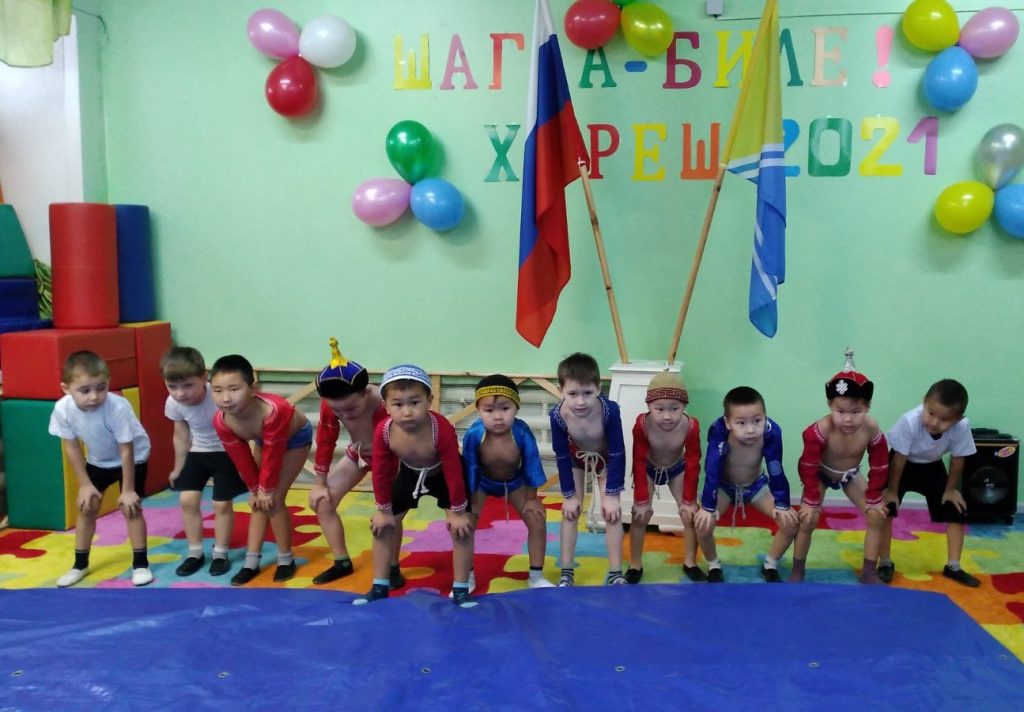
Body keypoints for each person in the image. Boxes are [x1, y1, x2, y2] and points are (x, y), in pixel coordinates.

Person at [354, 364, 474, 607]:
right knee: (382, 527)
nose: (407, 412)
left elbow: (453, 469)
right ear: (386, 406)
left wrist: (459, 512)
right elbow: (381, 472)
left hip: (444, 474)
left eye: (415, 403)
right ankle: (380, 586)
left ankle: (461, 587)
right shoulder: (384, 431)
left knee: (461, 529)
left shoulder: (441, 428)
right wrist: (383, 510)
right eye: (398, 404)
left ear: (429, 400)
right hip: (410, 473)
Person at [48, 350, 153, 587]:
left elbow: (127, 449)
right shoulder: (63, 409)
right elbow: (71, 447)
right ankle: (80, 564)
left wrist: (128, 490)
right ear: (66, 389)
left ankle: (140, 564)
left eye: (101, 388)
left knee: (131, 508)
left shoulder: (117, 407)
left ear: (108, 383)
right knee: (87, 506)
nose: (94, 396)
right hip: (98, 460)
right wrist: (85, 484)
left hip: (133, 458)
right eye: (85, 390)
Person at [309, 339, 404, 589]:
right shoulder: (331, 402)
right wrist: (319, 483)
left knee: (391, 514)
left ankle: (392, 566)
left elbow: (388, 456)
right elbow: (326, 439)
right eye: (338, 412)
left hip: (394, 458)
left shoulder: (384, 403)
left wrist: (383, 505)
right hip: (359, 453)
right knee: (323, 502)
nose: (345, 415)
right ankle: (341, 561)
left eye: (350, 409)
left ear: (366, 392)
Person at [210, 354, 311, 586]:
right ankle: (251, 562)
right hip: (264, 440)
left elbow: (274, 455)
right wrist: (255, 490)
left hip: (295, 439)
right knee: (257, 503)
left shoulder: (275, 410)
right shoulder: (222, 421)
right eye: (217, 391)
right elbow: (241, 458)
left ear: (253, 389)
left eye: (234, 389)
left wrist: (266, 490)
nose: (226, 398)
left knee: (273, 500)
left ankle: (286, 559)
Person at [792, 350, 889, 584]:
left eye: (856, 412)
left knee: (877, 516)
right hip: (819, 473)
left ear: (868, 407)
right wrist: (811, 500)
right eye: (840, 411)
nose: (847, 419)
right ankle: (798, 569)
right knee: (808, 519)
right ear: (830, 405)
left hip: (849, 474)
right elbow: (807, 465)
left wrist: (874, 497)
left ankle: (869, 571)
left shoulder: (871, 428)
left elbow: (880, 464)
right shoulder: (819, 430)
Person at [878, 379, 980, 587]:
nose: (934, 423)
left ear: (958, 419)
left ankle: (953, 566)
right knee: (885, 509)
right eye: (931, 413)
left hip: (932, 466)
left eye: (944, 419)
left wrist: (950, 490)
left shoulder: (961, 427)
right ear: (924, 402)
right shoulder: (910, 421)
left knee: (956, 509)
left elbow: (958, 458)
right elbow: (899, 459)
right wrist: (892, 490)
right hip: (902, 464)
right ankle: (885, 562)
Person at [694, 386, 798, 582]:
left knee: (790, 523)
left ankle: (770, 564)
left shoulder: (771, 431)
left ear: (765, 417)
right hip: (724, 487)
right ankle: (714, 565)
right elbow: (712, 467)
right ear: (728, 422)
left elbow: (775, 467)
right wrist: (707, 507)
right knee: (702, 526)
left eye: (757, 421)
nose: (751, 430)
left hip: (756, 486)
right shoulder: (719, 431)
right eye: (741, 423)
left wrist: (782, 504)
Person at [162, 346, 247, 577]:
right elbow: (181, 436)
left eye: (188, 385)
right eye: (172, 386)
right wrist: (178, 468)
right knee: (187, 500)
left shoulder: (218, 396)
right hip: (198, 452)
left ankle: (220, 553)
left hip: (226, 452)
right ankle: (195, 553)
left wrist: (244, 464)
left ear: (204, 378)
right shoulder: (173, 403)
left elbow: (243, 426)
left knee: (221, 504)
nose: (180, 394)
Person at [462, 374, 553, 589]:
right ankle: (466, 577)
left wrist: (532, 498)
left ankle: (536, 576)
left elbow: (531, 463)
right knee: (465, 524)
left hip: (514, 482)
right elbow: (470, 467)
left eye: (505, 408)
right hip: (482, 483)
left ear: (516, 408)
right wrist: (467, 502)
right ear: (478, 410)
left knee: (537, 520)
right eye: (489, 410)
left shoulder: (521, 432)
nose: (498, 417)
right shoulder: (474, 434)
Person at [549, 352, 627, 586]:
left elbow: (618, 451)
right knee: (570, 512)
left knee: (612, 513)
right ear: (560, 390)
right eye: (572, 394)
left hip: (606, 458)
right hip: (576, 457)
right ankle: (566, 572)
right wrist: (569, 496)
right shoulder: (557, 416)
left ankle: (616, 572)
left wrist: (611, 495)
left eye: (588, 393)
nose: (580, 402)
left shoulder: (609, 410)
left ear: (599, 389)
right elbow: (562, 455)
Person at [627, 371, 703, 584]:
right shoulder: (642, 425)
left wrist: (688, 500)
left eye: (674, 409)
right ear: (649, 406)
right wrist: (642, 501)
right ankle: (635, 564)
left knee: (690, 514)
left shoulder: (691, 426)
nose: (667, 416)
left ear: (684, 407)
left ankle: (690, 562)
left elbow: (693, 461)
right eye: (659, 409)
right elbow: (639, 461)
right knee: (639, 516)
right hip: (648, 467)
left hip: (677, 468)